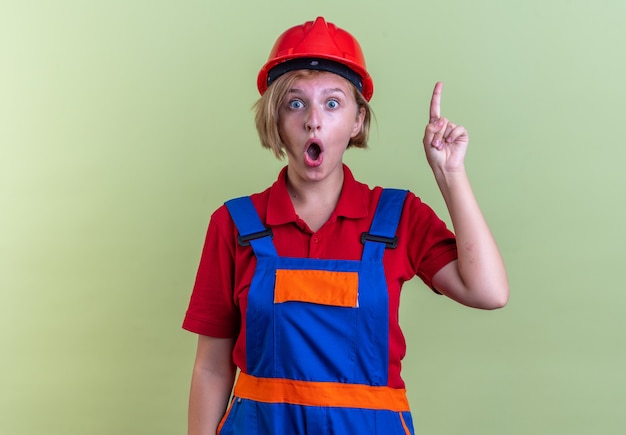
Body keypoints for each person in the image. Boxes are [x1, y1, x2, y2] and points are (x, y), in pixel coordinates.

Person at [183, 16, 509, 435]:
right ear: (276, 123)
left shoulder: (398, 217)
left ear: (357, 121)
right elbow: (211, 368)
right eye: (295, 103)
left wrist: (450, 173)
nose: (313, 121)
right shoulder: (235, 224)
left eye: (332, 103)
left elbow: (489, 292)